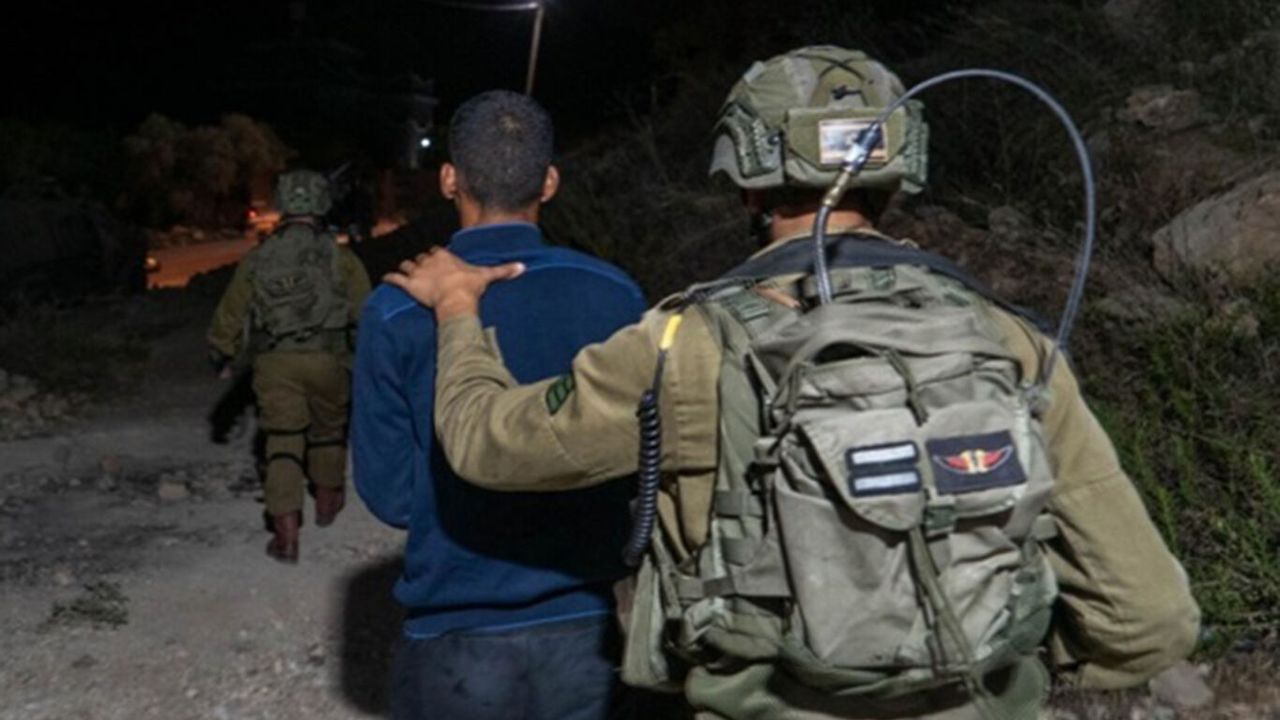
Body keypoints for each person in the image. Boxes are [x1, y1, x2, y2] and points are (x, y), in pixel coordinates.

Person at [382, 48, 1201, 720]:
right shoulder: (1008, 340)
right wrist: (993, 664)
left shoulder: (685, 343)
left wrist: (458, 309)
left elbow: (489, 446)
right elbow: (1150, 617)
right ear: (898, 173)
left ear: (746, 179)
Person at [351, 90, 648, 720]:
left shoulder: (397, 308)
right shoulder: (617, 296)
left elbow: (391, 496)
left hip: (453, 636)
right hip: (586, 628)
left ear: (448, 179)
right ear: (550, 182)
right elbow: (639, 464)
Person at [208, 169, 370, 563]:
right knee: (329, 432)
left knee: (282, 442)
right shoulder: (340, 257)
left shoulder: (259, 258)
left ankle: (287, 537)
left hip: (275, 362)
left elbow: (231, 312)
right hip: (329, 359)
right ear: (322, 204)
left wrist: (223, 353)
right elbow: (367, 311)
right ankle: (328, 505)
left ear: (282, 204)